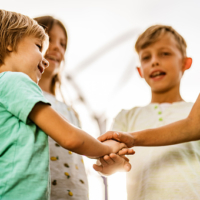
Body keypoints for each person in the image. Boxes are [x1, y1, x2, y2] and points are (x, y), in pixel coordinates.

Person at [0, 9, 134, 200]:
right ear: (10, 44)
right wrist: (106, 149)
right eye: (39, 46)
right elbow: (71, 138)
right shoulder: (16, 82)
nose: (45, 58)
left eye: (63, 44)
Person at [95, 25, 200, 200]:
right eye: (146, 57)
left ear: (185, 63)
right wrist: (111, 163)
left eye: (165, 53)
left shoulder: (194, 111)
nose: (154, 61)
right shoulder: (125, 117)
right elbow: (114, 162)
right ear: (139, 71)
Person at [33, 15, 89, 200]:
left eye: (63, 44)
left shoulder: (71, 111)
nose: (57, 47)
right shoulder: (23, 95)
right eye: (48, 39)